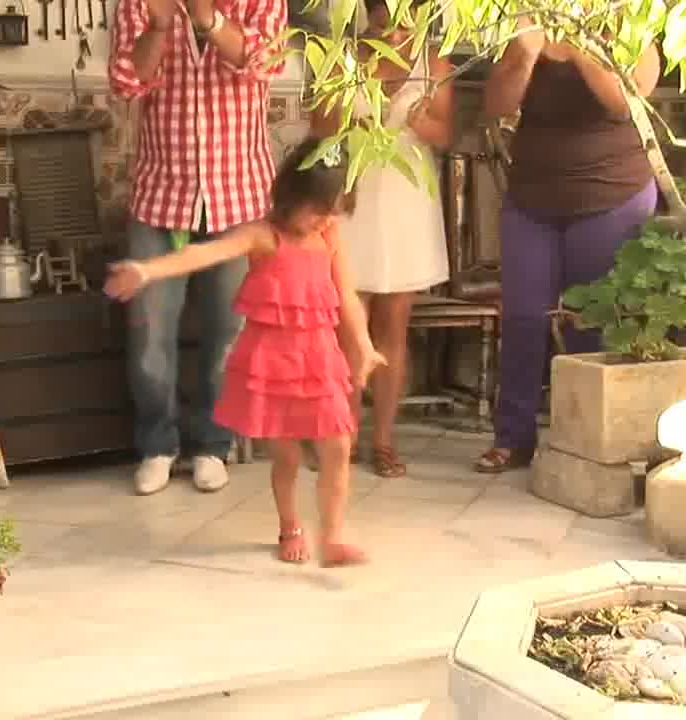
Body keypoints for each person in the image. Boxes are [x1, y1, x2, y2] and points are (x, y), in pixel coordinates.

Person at [105, 138, 386, 567]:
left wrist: (363, 346)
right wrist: (147, 269)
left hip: (320, 358)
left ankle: (332, 538)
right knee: (287, 455)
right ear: (291, 196)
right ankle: (290, 527)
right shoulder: (262, 235)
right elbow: (203, 252)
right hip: (272, 363)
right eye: (319, 208)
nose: (325, 219)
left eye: (333, 210)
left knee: (338, 447)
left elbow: (346, 295)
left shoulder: (328, 235)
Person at [109, 0, 287, 495]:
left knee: (227, 335)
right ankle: (157, 446)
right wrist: (162, 25)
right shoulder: (140, 4)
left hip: (239, 199)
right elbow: (126, 81)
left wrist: (206, 17)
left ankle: (213, 445)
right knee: (149, 336)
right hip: (160, 197)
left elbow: (265, 61)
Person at [476, 19, 661, 473]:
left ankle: (584, 440)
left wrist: (581, 48)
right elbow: (496, 105)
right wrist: (524, 54)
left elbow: (624, 104)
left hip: (611, 194)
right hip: (533, 196)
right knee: (522, 317)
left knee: (590, 321)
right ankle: (514, 437)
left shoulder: (629, 22)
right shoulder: (530, 28)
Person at [310, 0, 455, 478]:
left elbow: (445, 134)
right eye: (380, 23)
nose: (391, 33)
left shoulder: (434, 66)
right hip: (354, 201)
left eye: (400, 22)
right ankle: (342, 433)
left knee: (395, 325)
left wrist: (416, 119)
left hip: (407, 204)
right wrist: (357, 106)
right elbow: (320, 131)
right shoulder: (342, 62)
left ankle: (385, 441)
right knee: (349, 323)